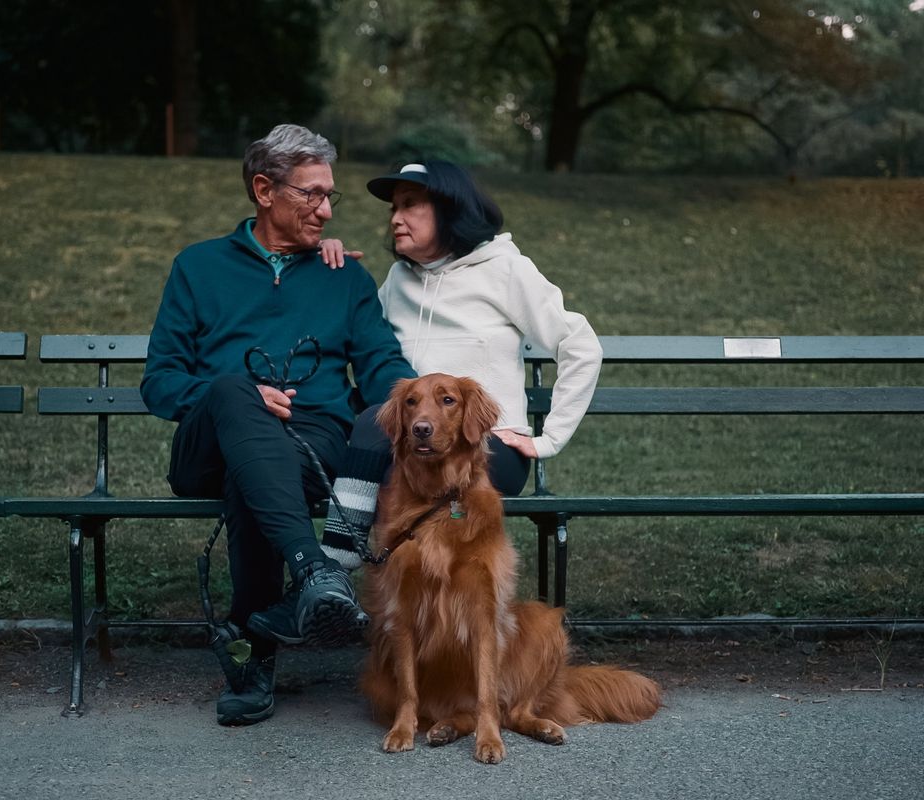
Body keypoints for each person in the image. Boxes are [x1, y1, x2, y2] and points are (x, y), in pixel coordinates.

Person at [140, 124, 415, 726]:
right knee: (235, 391)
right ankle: (314, 571)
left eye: (328, 197)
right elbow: (160, 382)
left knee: (254, 475)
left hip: (310, 445)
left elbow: (383, 372)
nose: (324, 209)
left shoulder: (343, 276)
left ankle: (251, 652)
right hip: (207, 440)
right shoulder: (198, 267)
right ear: (264, 190)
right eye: (310, 194)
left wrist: (429, 402)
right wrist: (238, 397)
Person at [317, 160, 603, 569]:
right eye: (393, 208)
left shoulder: (504, 270)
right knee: (377, 432)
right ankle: (352, 586)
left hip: (484, 447)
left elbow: (580, 344)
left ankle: (334, 572)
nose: (395, 219)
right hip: (411, 444)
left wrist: (548, 439)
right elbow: (362, 342)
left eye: (411, 205)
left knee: (380, 442)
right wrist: (329, 268)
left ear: (449, 209)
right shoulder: (398, 281)